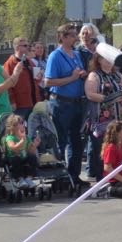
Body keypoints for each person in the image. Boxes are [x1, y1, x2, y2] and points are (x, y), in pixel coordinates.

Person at [44, 23, 88, 188]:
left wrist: (81, 75)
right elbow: (48, 82)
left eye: (75, 35)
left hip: (77, 102)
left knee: (77, 141)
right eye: (71, 35)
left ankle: (73, 175)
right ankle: (60, 177)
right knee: (61, 140)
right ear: (62, 37)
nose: (75, 38)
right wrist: (71, 78)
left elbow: (78, 73)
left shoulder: (76, 54)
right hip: (61, 103)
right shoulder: (55, 56)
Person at [84, 48, 122, 180]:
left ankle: (115, 178)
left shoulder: (117, 75)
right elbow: (90, 94)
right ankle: (100, 179)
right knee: (102, 150)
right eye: (105, 59)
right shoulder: (95, 75)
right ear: (98, 60)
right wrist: (110, 98)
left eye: (110, 59)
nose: (108, 62)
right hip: (102, 119)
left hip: (117, 118)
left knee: (116, 148)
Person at [4, 37, 42, 120]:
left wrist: (39, 76)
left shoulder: (29, 61)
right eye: (25, 45)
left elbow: (36, 79)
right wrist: (12, 101)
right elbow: (7, 85)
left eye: (28, 45)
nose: (28, 47)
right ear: (17, 47)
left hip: (33, 101)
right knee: (21, 128)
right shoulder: (9, 63)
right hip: (20, 104)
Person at [3, 114, 40, 190]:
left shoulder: (26, 137)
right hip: (13, 159)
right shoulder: (10, 137)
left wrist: (35, 145)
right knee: (16, 159)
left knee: (32, 157)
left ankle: (29, 179)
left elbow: (30, 151)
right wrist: (22, 141)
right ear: (14, 126)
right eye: (21, 123)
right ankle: (20, 179)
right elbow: (13, 148)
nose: (23, 125)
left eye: (23, 123)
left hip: (24, 157)